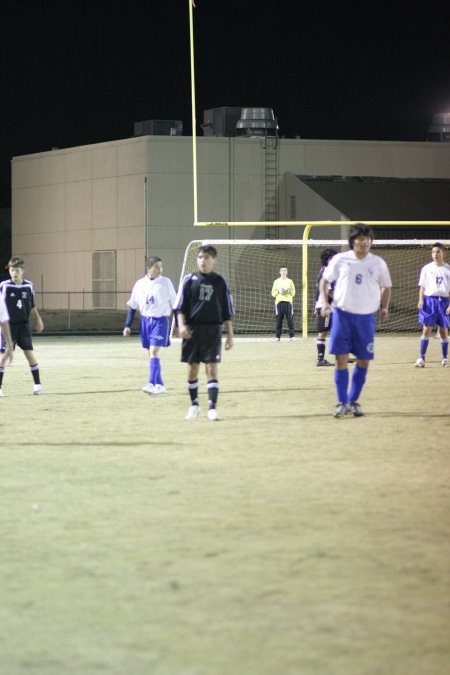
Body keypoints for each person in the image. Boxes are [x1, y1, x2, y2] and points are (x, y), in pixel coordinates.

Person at [320, 224, 392, 418]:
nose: (364, 242)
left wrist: (384, 307)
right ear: (353, 241)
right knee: (341, 358)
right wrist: (325, 302)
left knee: (364, 360)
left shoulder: (378, 263)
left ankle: (353, 401)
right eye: (360, 239)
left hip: (366, 318)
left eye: (367, 238)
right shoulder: (340, 259)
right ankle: (342, 402)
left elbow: (386, 286)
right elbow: (325, 280)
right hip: (343, 316)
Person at [174, 244, 234, 421]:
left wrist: (230, 335)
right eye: (200, 257)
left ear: (214, 259)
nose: (203, 261)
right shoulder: (189, 280)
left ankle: (212, 408)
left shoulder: (220, 282)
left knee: (211, 369)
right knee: (192, 369)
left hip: (213, 330)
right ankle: (194, 405)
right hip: (192, 330)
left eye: (207, 257)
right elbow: (179, 307)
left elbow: (226, 311)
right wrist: (181, 326)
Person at [123, 255, 177, 394]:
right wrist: (127, 325)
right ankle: (160, 385)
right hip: (145, 322)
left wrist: (177, 325)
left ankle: (151, 383)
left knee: (154, 351)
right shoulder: (140, 284)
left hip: (160, 321)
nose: (160, 269)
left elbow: (175, 304)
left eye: (161, 267)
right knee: (151, 353)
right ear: (149, 268)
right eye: (157, 267)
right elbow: (132, 306)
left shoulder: (166, 283)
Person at [0, 256, 44, 395]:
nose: (14, 273)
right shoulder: (4, 286)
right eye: (12, 270)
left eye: (16, 270)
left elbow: (32, 304)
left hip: (24, 326)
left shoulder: (28, 285)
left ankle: (37, 385)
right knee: (3, 356)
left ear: (23, 271)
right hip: (9, 327)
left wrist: (38, 318)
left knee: (29, 354)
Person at [414, 242, 450, 368]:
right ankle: (421, 358)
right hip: (429, 301)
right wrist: (421, 300)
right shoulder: (427, 268)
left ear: (443, 253)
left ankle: (445, 359)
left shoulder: (448, 269)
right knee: (427, 328)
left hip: (444, 302)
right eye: (433, 252)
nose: (435, 254)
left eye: (438, 252)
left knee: (444, 330)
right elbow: (422, 287)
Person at [314, 248, 338, 365]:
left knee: (337, 330)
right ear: (327, 259)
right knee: (323, 331)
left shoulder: (326, 270)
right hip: (326, 306)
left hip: (328, 305)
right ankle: (320, 359)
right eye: (332, 258)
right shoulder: (327, 272)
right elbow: (328, 292)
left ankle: (342, 356)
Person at [271, 266, 295, 341]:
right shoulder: (276, 281)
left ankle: (292, 336)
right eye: (282, 270)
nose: (283, 272)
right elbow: (273, 293)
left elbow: (293, 293)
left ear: (287, 272)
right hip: (279, 302)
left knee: (290, 319)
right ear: (280, 272)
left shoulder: (290, 281)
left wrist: (289, 291)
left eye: (285, 270)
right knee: (279, 320)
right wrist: (279, 292)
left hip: (288, 302)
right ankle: (277, 337)